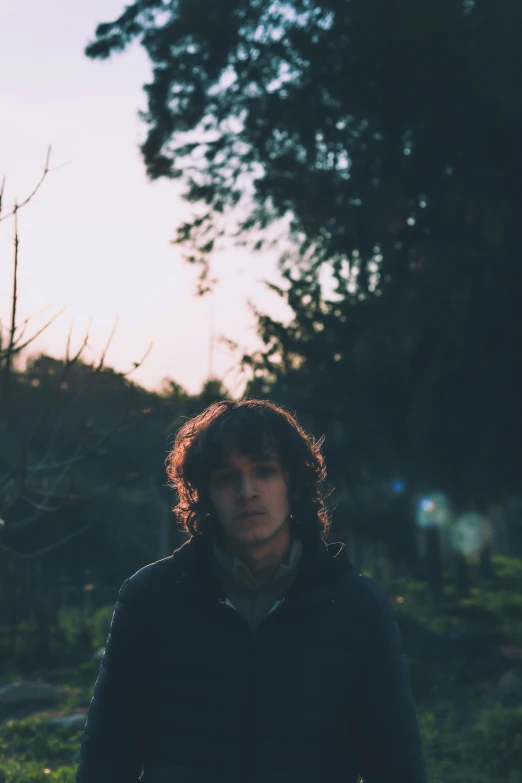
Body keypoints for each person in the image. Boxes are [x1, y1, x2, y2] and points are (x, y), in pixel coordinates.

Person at [76, 398, 427, 783]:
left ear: (293, 483)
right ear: (205, 493)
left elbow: (395, 762)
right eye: (226, 477)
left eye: (264, 471)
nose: (247, 491)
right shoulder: (149, 599)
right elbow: (108, 756)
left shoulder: (358, 608)